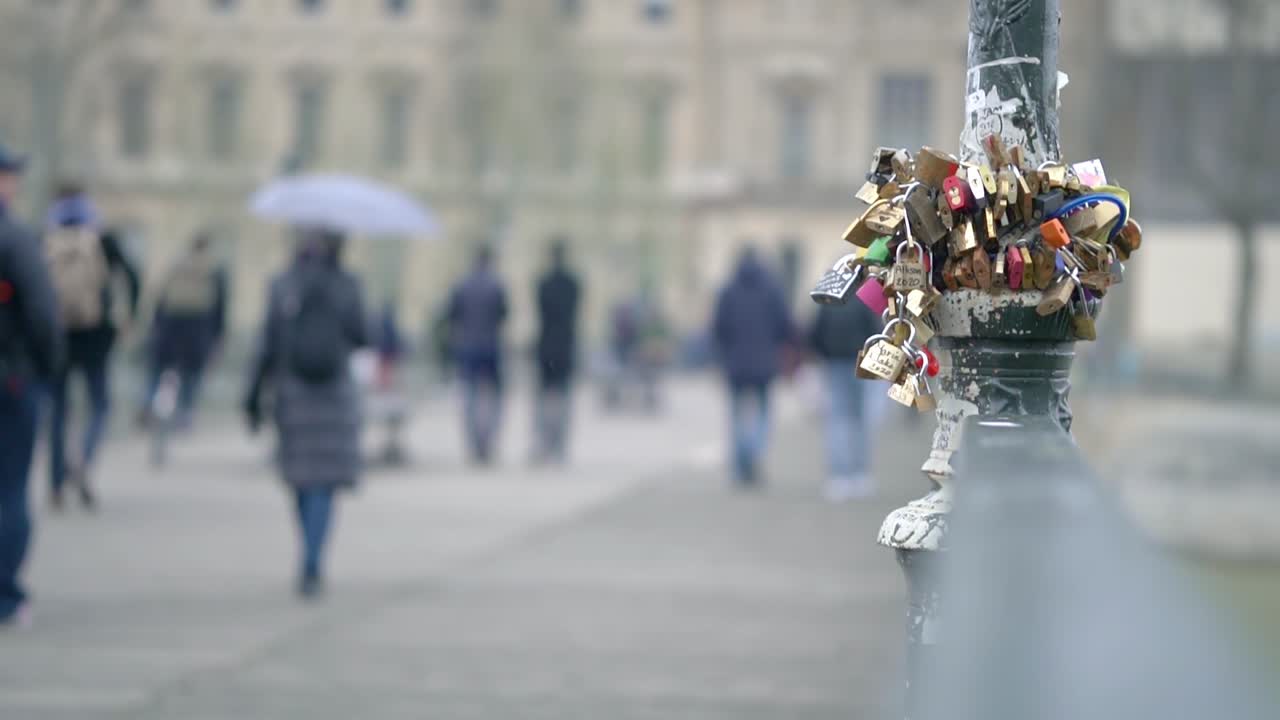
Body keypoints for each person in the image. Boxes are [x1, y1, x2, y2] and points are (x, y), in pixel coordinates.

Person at [243, 229, 368, 599]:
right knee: (325, 484)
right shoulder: (347, 284)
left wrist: (251, 397)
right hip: (334, 393)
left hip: (291, 392)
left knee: (300, 480)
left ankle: (307, 547)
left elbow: (266, 344)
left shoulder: (283, 285)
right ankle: (313, 558)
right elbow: (363, 335)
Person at [44, 184, 140, 510]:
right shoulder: (102, 237)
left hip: (57, 337)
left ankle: (56, 484)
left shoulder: (46, 234)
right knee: (99, 405)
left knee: (58, 410)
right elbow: (133, 275)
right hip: (96, 335)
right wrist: (128, 315)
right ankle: (84, 459)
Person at [0, 144, 61, 627]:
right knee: (10, 489)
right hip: (11, 380)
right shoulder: (14, 239)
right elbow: (44, 314)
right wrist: (47, 369)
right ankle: (4, 591)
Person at [712, 248, 795, 487]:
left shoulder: (728, 291)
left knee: (736, 414)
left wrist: (723, 353)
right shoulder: (772, 290)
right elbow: (785, 326)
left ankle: (741, 463)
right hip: (764, 363)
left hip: (735, 363)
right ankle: (755, 451)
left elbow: (719, 328)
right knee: (763, 412)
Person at [142, 232, 227, 429]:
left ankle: (148, 404)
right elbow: (220, 309)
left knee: (157, 370)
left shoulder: (175, 266)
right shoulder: (214, 270)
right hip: (198, 330)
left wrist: (155, 328)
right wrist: (218, 336)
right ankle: (185, 414)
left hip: (169, 328)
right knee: (192, 375)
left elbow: (160, 301)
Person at [809, 300, 881, 502]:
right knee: (860, 420)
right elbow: (876, 332)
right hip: (862, 364)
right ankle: (860, 474)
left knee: (837, 420)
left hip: (834, 363)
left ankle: (838, 476)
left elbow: (816, 332)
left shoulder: (829, 299)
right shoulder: (864, 299)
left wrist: (823, 355)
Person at [446, 246, 508, 464]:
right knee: (495, 398)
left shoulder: (462, 285)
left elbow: (452, 316)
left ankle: (474, 443)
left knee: (470, 397)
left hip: (468, 347)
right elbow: (504, 315)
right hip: (491, 346)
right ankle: (488, 440)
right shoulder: (496, 285)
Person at [532, 239, 582, 464]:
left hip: (546, 345)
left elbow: (540, 313)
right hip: (565, 345)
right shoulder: (574, 284)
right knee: (563, 397)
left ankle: (544, 442)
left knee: (543, 399)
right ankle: (559, 445)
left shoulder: (542, 283)